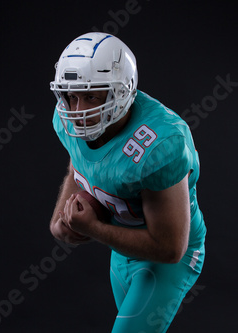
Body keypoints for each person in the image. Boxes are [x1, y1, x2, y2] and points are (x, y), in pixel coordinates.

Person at [48, 32, 206, 333]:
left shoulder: (160, 145)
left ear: (120, 92)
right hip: (123, 251)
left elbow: (170, 247)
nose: (78, 111)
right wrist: (61, 218)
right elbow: (78, 166)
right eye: (72, 95)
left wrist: (94, 229)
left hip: (169, 258)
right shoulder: (69, 119)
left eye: (91, 96)